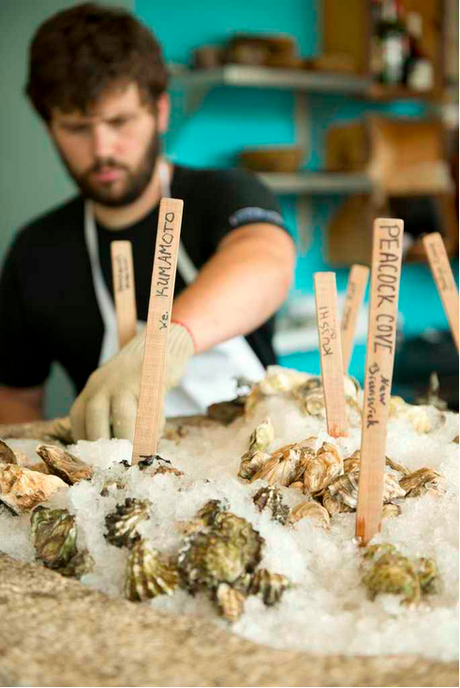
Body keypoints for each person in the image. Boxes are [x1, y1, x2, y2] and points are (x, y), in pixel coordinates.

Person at [0, 2, 296, 441]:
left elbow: (266, 259)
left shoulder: (223, 193)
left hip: (249, 470)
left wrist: (166, 343)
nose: (102, 149)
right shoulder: (36, 253)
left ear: (159, 111)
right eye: (77, 128)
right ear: (50, 128)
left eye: (120, 121)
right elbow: (16, 402)